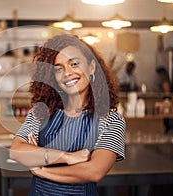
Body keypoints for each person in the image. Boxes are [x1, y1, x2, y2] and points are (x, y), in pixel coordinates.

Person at [9, 34, 125, 195]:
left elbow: (94, 171)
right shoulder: (41, 112)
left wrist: (41, 168)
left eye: (74, 64)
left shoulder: (111, 121)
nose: (67, 73)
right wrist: (68, 157)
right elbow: (16, 151)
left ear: (91, 67)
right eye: (58, 68)